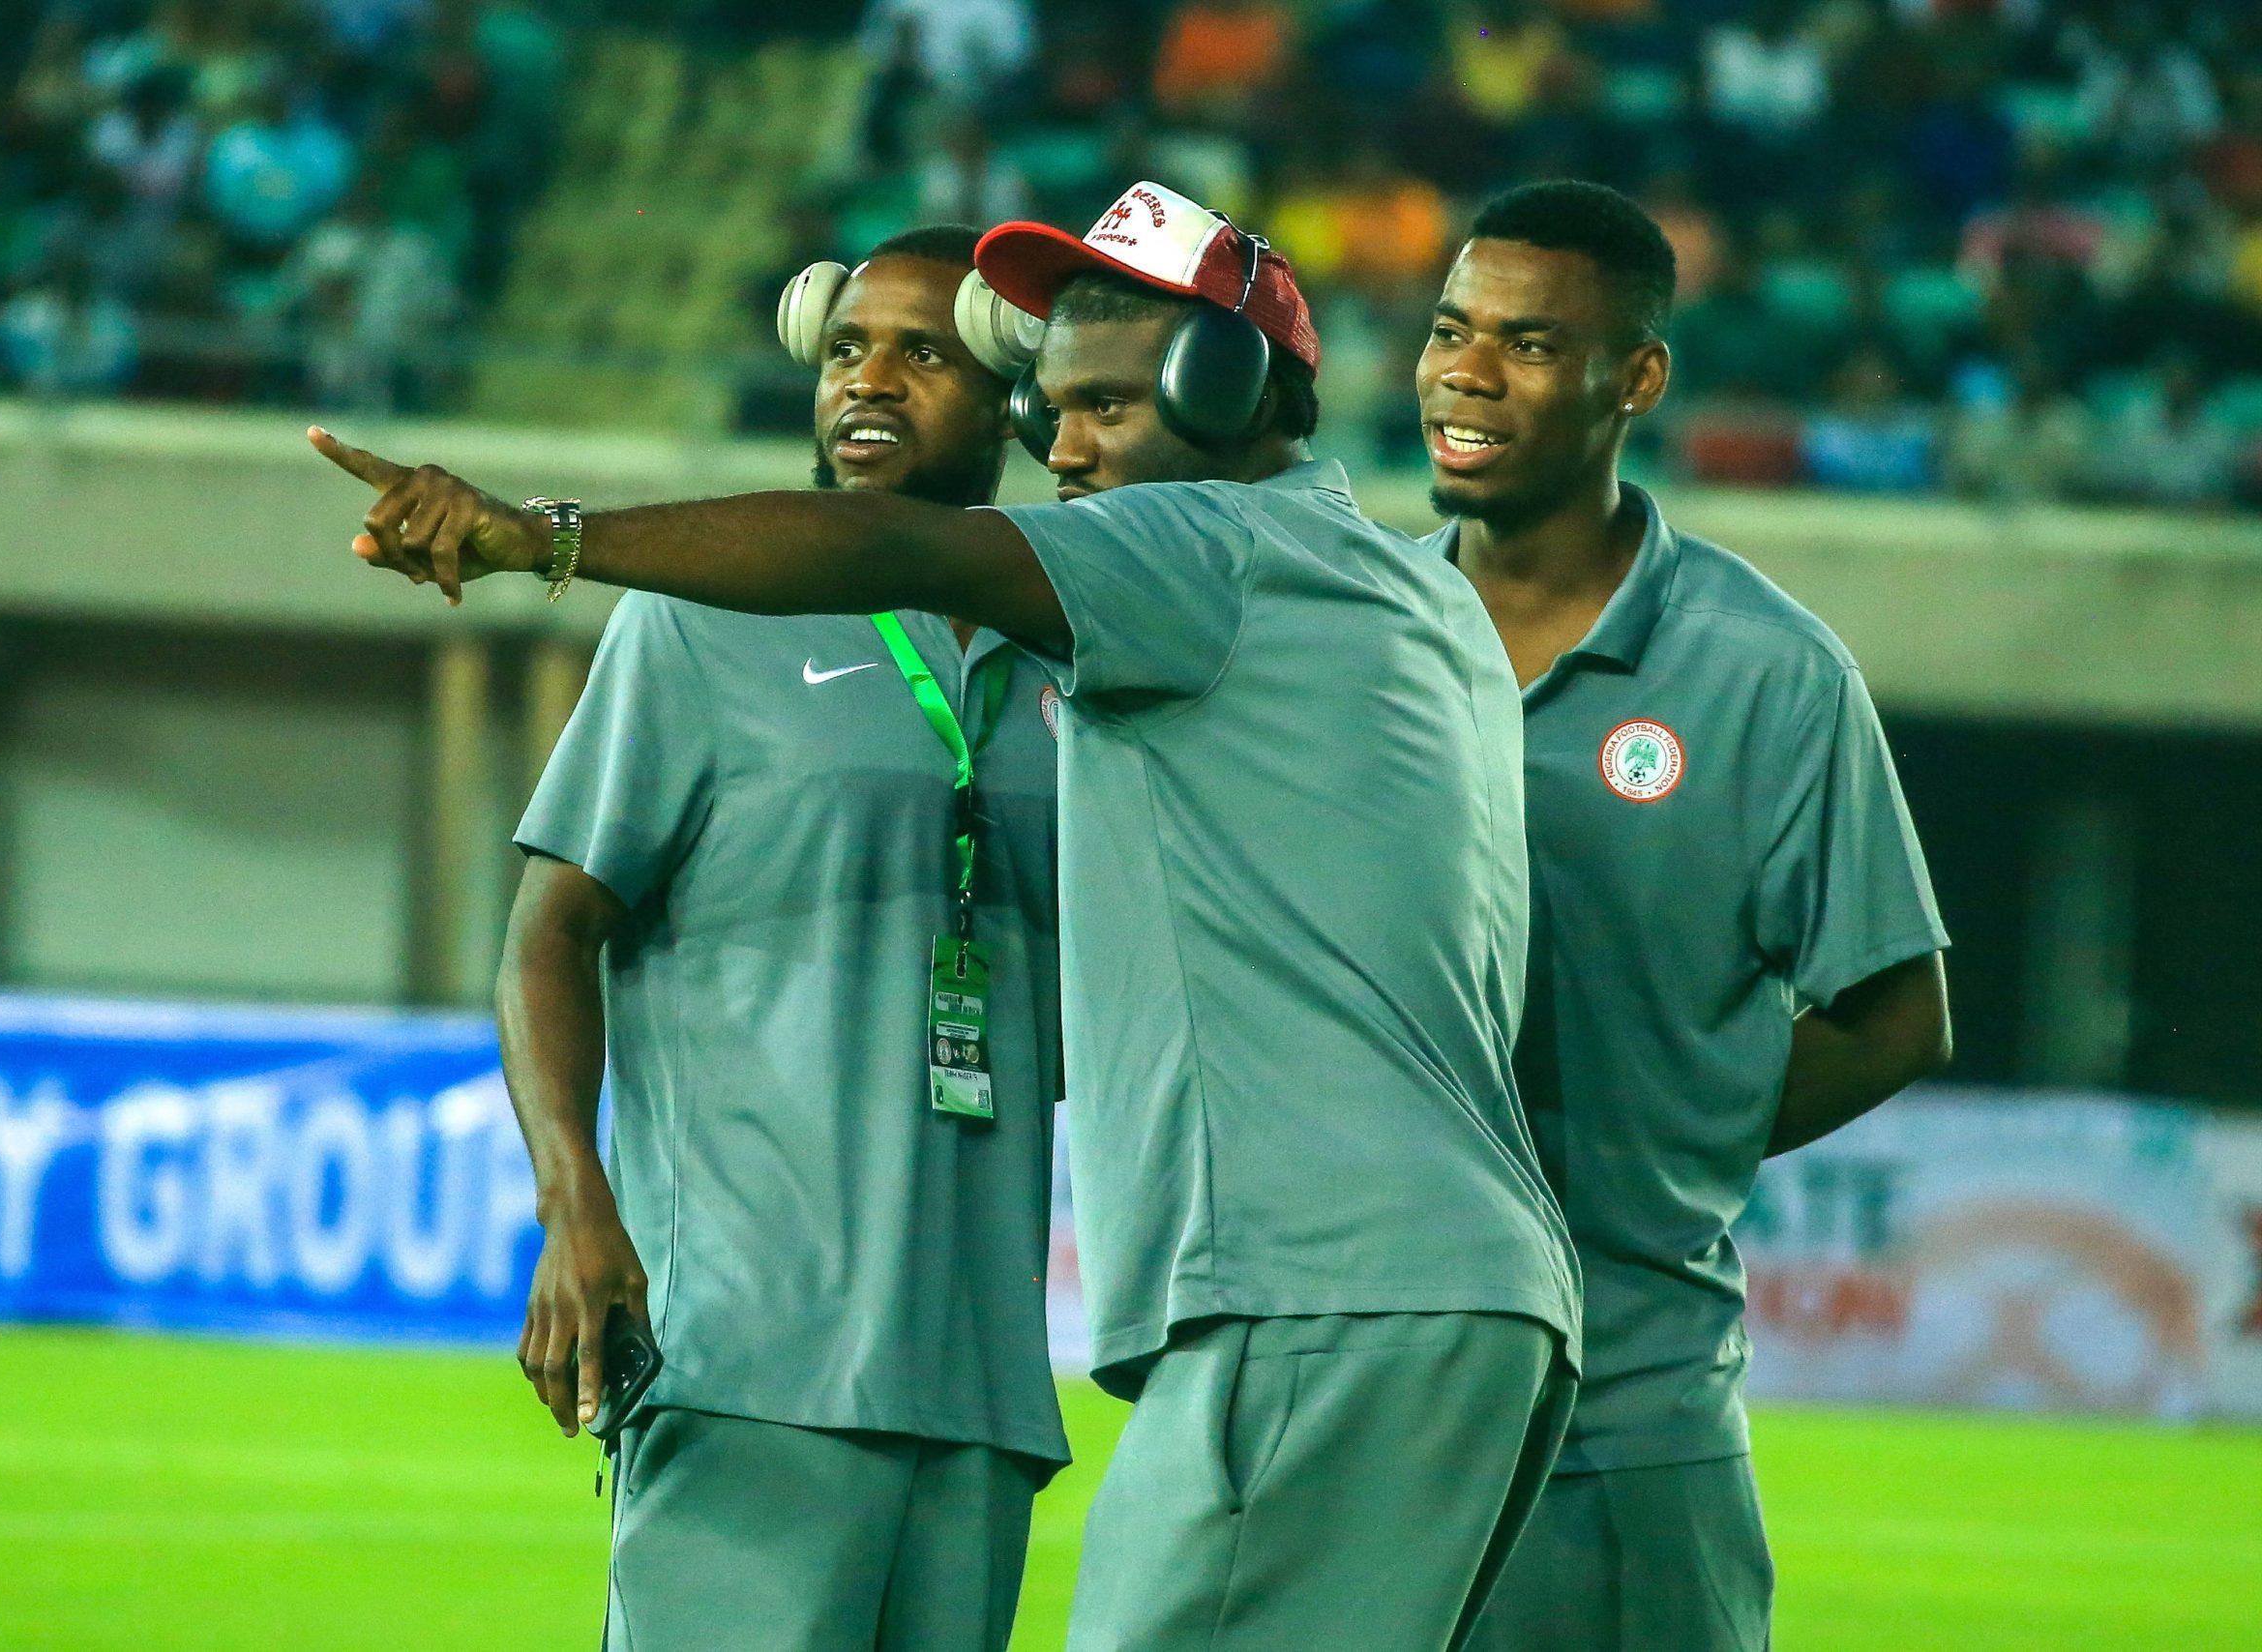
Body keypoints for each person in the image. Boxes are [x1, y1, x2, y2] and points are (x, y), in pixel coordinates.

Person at [309, 180, 1582, 1652]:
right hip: (1434, 1302)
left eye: (1099, 406)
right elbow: (556, 920)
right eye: (1057, 410)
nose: (1073, 448)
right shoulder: (1422, 603)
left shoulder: (1181, 570)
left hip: (1299, 1300)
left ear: (1227, 389)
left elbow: (900, 552)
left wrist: (545, 538)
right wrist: (574, 1199)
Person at [492, 225, 1068, 1652]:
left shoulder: (1081, 654)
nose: (865, 382)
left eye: (922, 353)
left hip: (984, 1388)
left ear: (1013, 385)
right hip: (749, 1362)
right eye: (846, 348)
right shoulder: (699, 624)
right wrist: (577, 1207)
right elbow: (548, 937)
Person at [1417, 180, 1953, 1652]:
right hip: (1373, 1408)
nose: (1467, 371)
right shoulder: (1354, 640)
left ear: (1635, 378)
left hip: (1627, 1408)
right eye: (1453, 329)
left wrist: (1669, 1132)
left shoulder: (1767, 672)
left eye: (1528, 344)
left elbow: (1898, 1013)